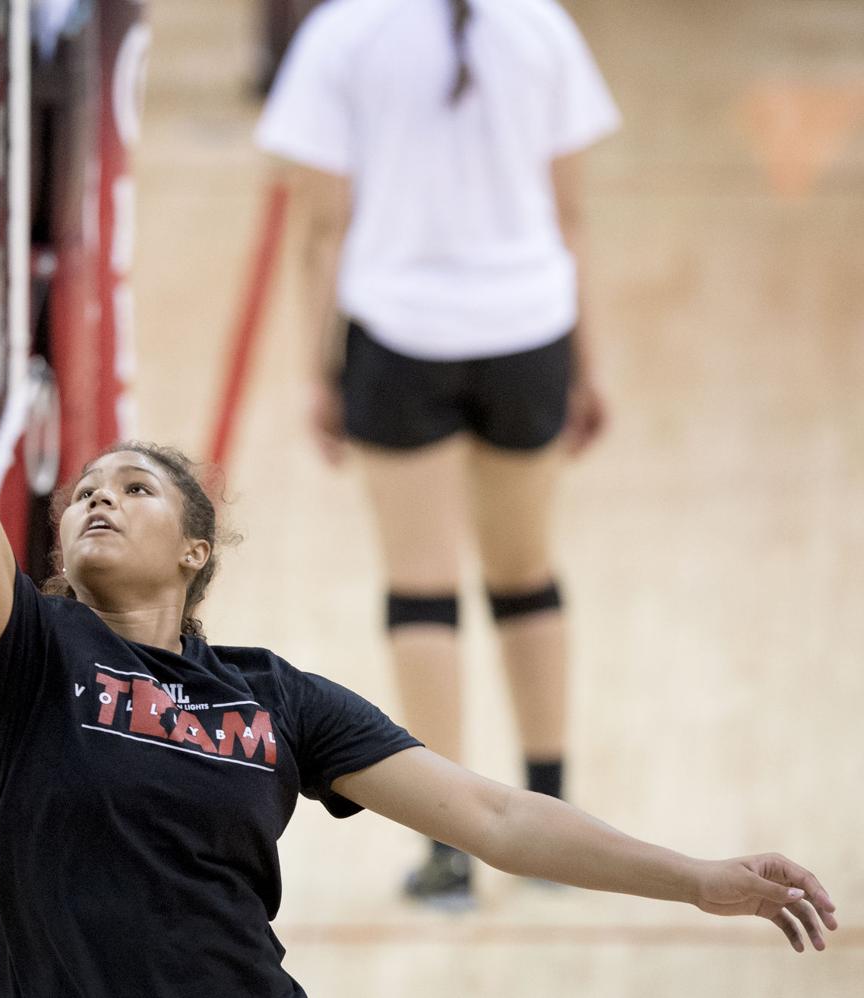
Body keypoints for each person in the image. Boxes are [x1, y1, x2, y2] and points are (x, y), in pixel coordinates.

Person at [0, 149, 839, 997]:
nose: (99, 495)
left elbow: (494, 814)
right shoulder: (27, 658)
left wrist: (695, 877)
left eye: (138, 487)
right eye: (87, 492)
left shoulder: (276, 697)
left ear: (196, 550)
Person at [256, 0, 619, 904]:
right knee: (525, 573)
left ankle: (451, 856)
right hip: (530, 331)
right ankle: (555, 822)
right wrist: (587, 362)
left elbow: (323, 230)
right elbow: (571, 215)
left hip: (400, 339)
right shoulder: (539, 24)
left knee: (422, 589)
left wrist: (320, 371)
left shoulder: (343, 32)